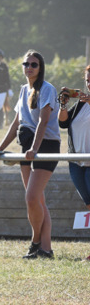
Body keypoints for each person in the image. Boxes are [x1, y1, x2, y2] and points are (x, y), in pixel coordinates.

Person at [0, 50, 61, 259]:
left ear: (41, 67)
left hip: (45, 145)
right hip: (27, 145)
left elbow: (43, 121)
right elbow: (17, 122)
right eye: (26, 64)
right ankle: (45, 249)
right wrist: (0, 147)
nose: (29, 67)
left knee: (31, 198)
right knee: (37, 201)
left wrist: (35, 149)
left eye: (34, 64)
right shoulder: (22, 90)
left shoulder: (47, 89)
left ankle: (35, 241)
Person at [58, 65, 90, 260]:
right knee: (88, 204)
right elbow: (63, 123)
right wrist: (63, 105)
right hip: (76, 161)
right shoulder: (80, 104)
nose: (89, 83)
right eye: (87, 80)